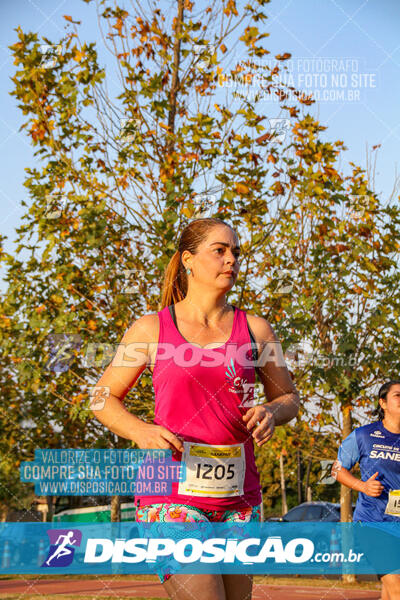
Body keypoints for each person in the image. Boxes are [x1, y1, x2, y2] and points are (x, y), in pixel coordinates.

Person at [92, 217, 300, 600]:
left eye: (235, 252)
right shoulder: (151, 328)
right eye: (219, 251)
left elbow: (289, 398)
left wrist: (273, 412)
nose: (231, 260)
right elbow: (101, 398)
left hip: (239, 496)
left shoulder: (256, 330)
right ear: (188, 259)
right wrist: (138, 430)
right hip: (171, 493)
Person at [333, 380, 400, 600]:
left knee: (390, 593)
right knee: (397, 587)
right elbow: (336, 470)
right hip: (372, 522)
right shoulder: (364, 435)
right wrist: (362, 486)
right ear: (383, 402)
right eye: (398, 396)